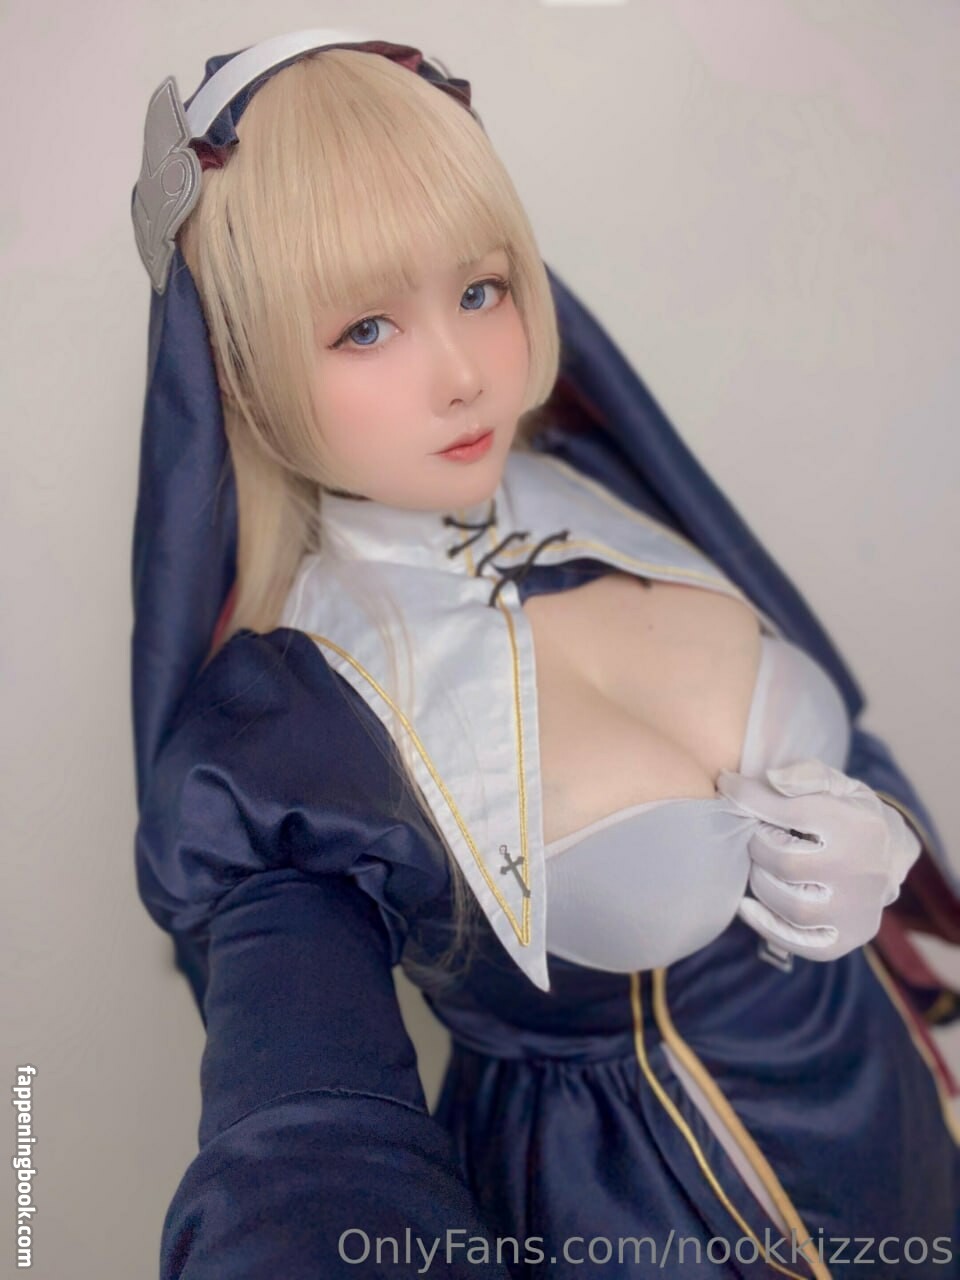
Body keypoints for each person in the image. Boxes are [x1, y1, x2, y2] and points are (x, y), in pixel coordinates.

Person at [130, 30, 960, 1279]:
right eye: (366, 327)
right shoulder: (288, 725)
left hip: (901, 1140)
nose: (465, 374)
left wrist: (882, 828)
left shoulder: (616, 496)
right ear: (238, 371)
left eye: (479, 290)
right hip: (632, 1221)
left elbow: (847, 738)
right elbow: (301, 1142)